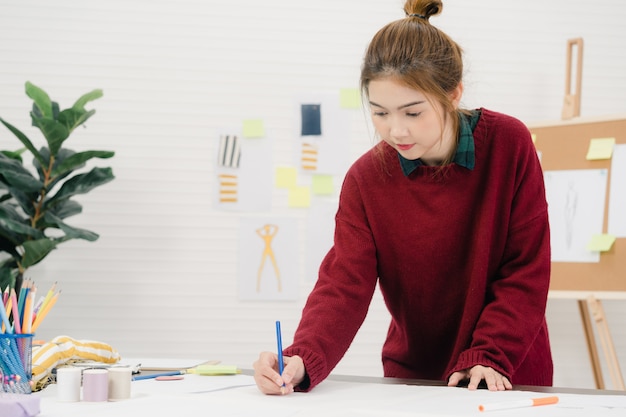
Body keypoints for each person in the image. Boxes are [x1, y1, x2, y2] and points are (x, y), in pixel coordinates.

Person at [253, 0, 553, 395]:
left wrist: (489, 352)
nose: (395, 131)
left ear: (452, 94)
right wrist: (303, 357)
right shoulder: (366, 179)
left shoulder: (509, 145)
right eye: (380, 113)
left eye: (412, 113)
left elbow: (525, 269)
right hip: (415, 377)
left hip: (503, 372)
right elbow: (344, 282)